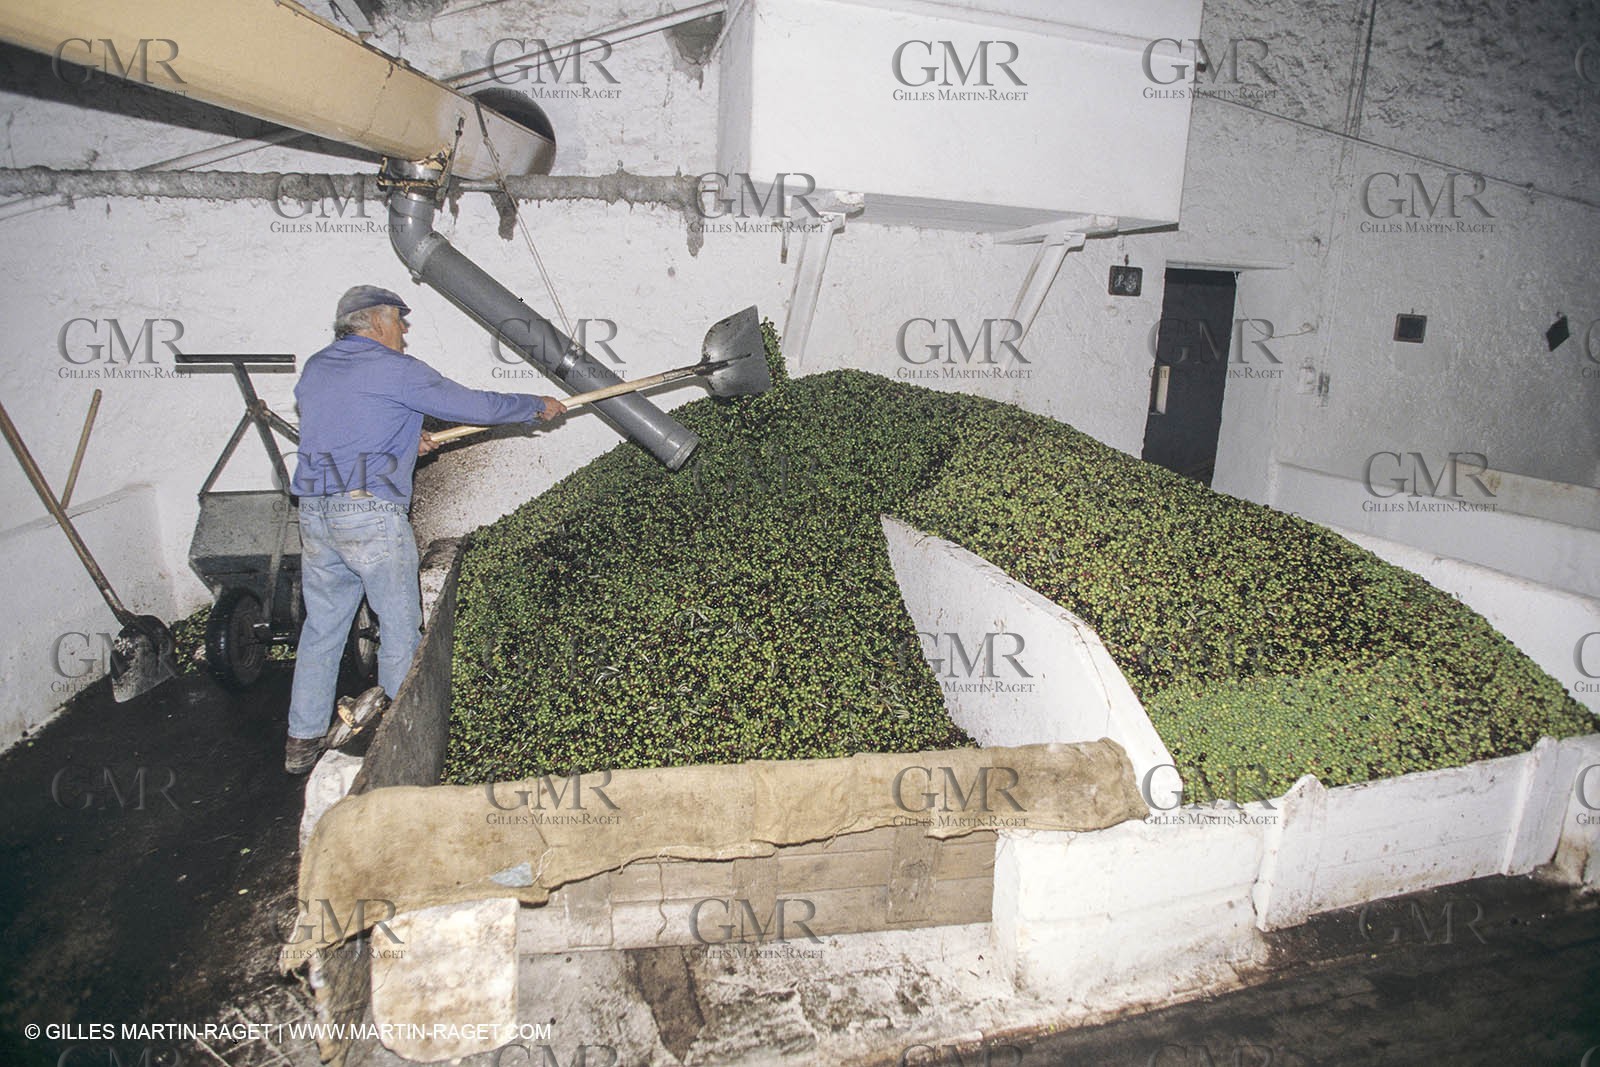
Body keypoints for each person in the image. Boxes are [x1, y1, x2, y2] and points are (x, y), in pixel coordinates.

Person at [283, 285, 566, 773]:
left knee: (323, 626)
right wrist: (533, 403)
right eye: (398, 319)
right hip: (368, 514)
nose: (404, 330)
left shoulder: (317, 367)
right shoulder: (394, 369)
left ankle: (301, 742)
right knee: (399, 627)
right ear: (372, 323)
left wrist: (401, 440)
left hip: (315, 512)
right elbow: (472, 405)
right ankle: (397, 742)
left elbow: (343, 424)